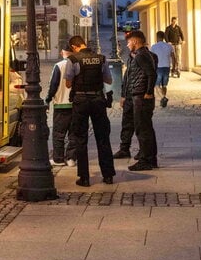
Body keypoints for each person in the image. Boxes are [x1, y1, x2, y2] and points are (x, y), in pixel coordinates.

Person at [64, 35, 115, 187]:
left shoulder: (73, 60)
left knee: (80, 139)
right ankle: (108, 175)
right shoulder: (101, 58)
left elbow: (68, 84)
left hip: (80, 101)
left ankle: (84, 178)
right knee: (103, 138)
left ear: (74, 47)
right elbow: (109, 81)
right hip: (98, 100)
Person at [115, 30, 158, 171]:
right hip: (136, 96)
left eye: (128, 42)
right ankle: (149, 158)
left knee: (143, 129)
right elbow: (130, 77)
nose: (127, 45)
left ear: (135, 41)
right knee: (144, 128)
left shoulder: (142, 56)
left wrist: (148, 93)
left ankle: (146, 160)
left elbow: (151, 74)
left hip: (141, 97)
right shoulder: (137, 56)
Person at [45, 43, 75, 167]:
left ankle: (58, 159)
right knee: (74, 133)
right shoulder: (77, 64)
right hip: (75, 104)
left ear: (62, 52)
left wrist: (48, 99)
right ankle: (71, 159)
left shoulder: (59, 66)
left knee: (59, 133)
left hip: (61, 105)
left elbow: (53, 85)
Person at [149, 30, 174, 108]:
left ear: (157, 37)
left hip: (158, 67)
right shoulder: (169, 46)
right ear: (163, 37)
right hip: (167, 67)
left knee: (156, 85)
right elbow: (173, 57)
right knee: (164, 85)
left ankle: (163, 98)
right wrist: (174, 66)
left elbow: (151, 58)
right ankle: (163, 99)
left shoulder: (154, 47)